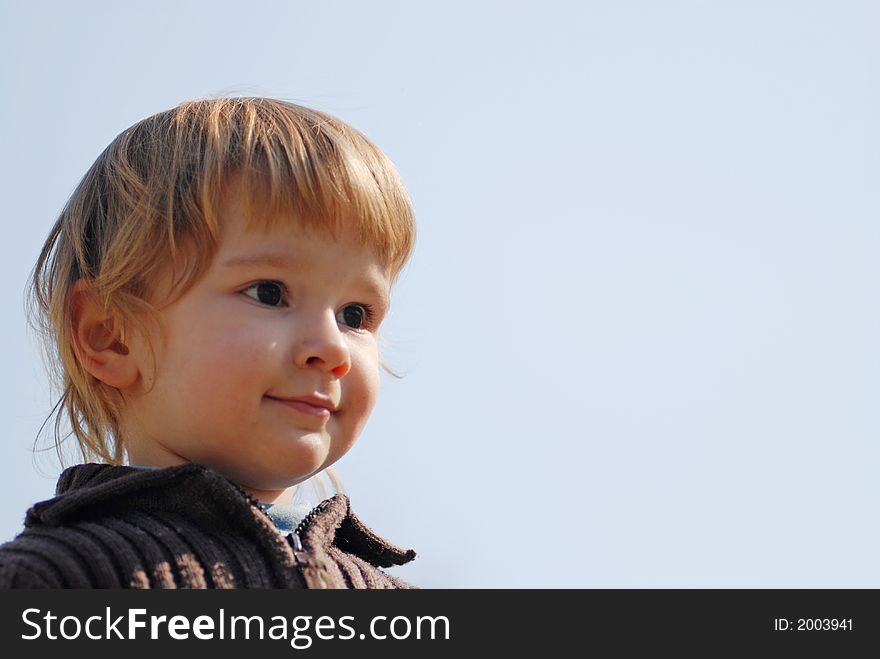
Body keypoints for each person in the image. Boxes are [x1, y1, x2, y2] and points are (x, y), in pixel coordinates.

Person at [0, 97, 417, 588]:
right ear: (111, 336)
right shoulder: (57, 577)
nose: (332, 348)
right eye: (270, 293)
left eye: (355, 315)